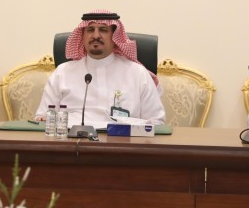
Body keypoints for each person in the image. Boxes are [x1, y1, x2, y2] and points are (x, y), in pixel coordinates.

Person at [35, 10, 165, 127]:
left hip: (122, 143)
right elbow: (43, 119)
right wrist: (44, 120)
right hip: (72, 143)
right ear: (83, 36)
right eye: (90, 30)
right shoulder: (62, 73)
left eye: (103, 30)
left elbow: (157, 122)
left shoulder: (137, 73)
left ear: (114, 37)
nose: (96, 35)